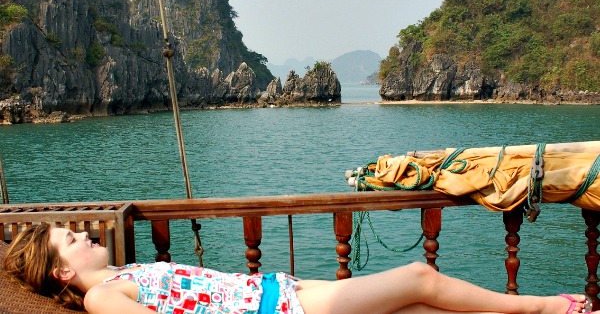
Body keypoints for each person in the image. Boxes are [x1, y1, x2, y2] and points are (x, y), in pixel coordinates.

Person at [2, 223, 594, 314]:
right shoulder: (101, 297)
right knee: (419, 277)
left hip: (278, 291)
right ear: (60, 273)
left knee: (414, 305)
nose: (85, 234)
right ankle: (543, 307)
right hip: (281, 310)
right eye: (72, 239)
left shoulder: (118, 275)